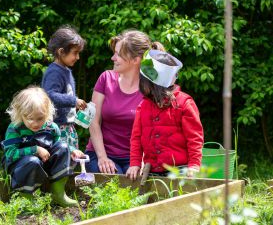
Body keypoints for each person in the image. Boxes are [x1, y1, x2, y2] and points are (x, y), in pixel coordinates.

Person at [85, 30, 165, 174]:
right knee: (113, 184)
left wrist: (141, 162)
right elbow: (93, 121)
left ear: (135, 60)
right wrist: (102, 158)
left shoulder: (150, 90)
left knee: (132, 189)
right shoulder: (106, 79)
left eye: (118, 54)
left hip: (134, 159)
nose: (113, 58)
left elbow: (152, 131)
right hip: (101, 154)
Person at [126, 50, 204, 180]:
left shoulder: (184, 103)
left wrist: (194, 165)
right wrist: (135, 163)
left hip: (179, 170)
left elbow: (194, 138)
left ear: (152, 85)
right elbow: (136, 138)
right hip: (151, 170)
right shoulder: (143, 106)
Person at [1, 86, 84, 207]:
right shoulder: (15, 128)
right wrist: (35, 150)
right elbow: (10, 154)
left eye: (40, 118)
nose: (35, 123)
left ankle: (58, 194)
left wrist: (73, 150)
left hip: (44, 165)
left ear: (47, 113)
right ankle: (26, 199)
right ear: (20, 114)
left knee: (63, 146)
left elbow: (58, 143)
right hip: (21, 168)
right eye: (30, 119)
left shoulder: (51, 127)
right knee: (32, 161)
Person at [41, 26, 87, 155]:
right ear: (61, 52)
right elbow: (49, 95)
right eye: (75, 53)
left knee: (71, 158)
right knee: (62, 159)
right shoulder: (54, 72)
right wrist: (74, 101)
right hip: (57, 127)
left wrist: (76, 105)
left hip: (67, 126)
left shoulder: (66, 70)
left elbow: (66, 96)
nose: (77, 57)